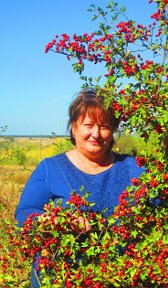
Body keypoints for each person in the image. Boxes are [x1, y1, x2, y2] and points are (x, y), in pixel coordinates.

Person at [15, 88, 145, 287]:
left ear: (113, 132)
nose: (96, 134)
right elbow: (24, 214)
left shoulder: (132, 168)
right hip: (59, 279)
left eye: (104, 126)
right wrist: (56, 221)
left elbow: (166, 204)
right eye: (89, 125)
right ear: (74, 127)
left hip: (118, 279)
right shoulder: (51, 168)